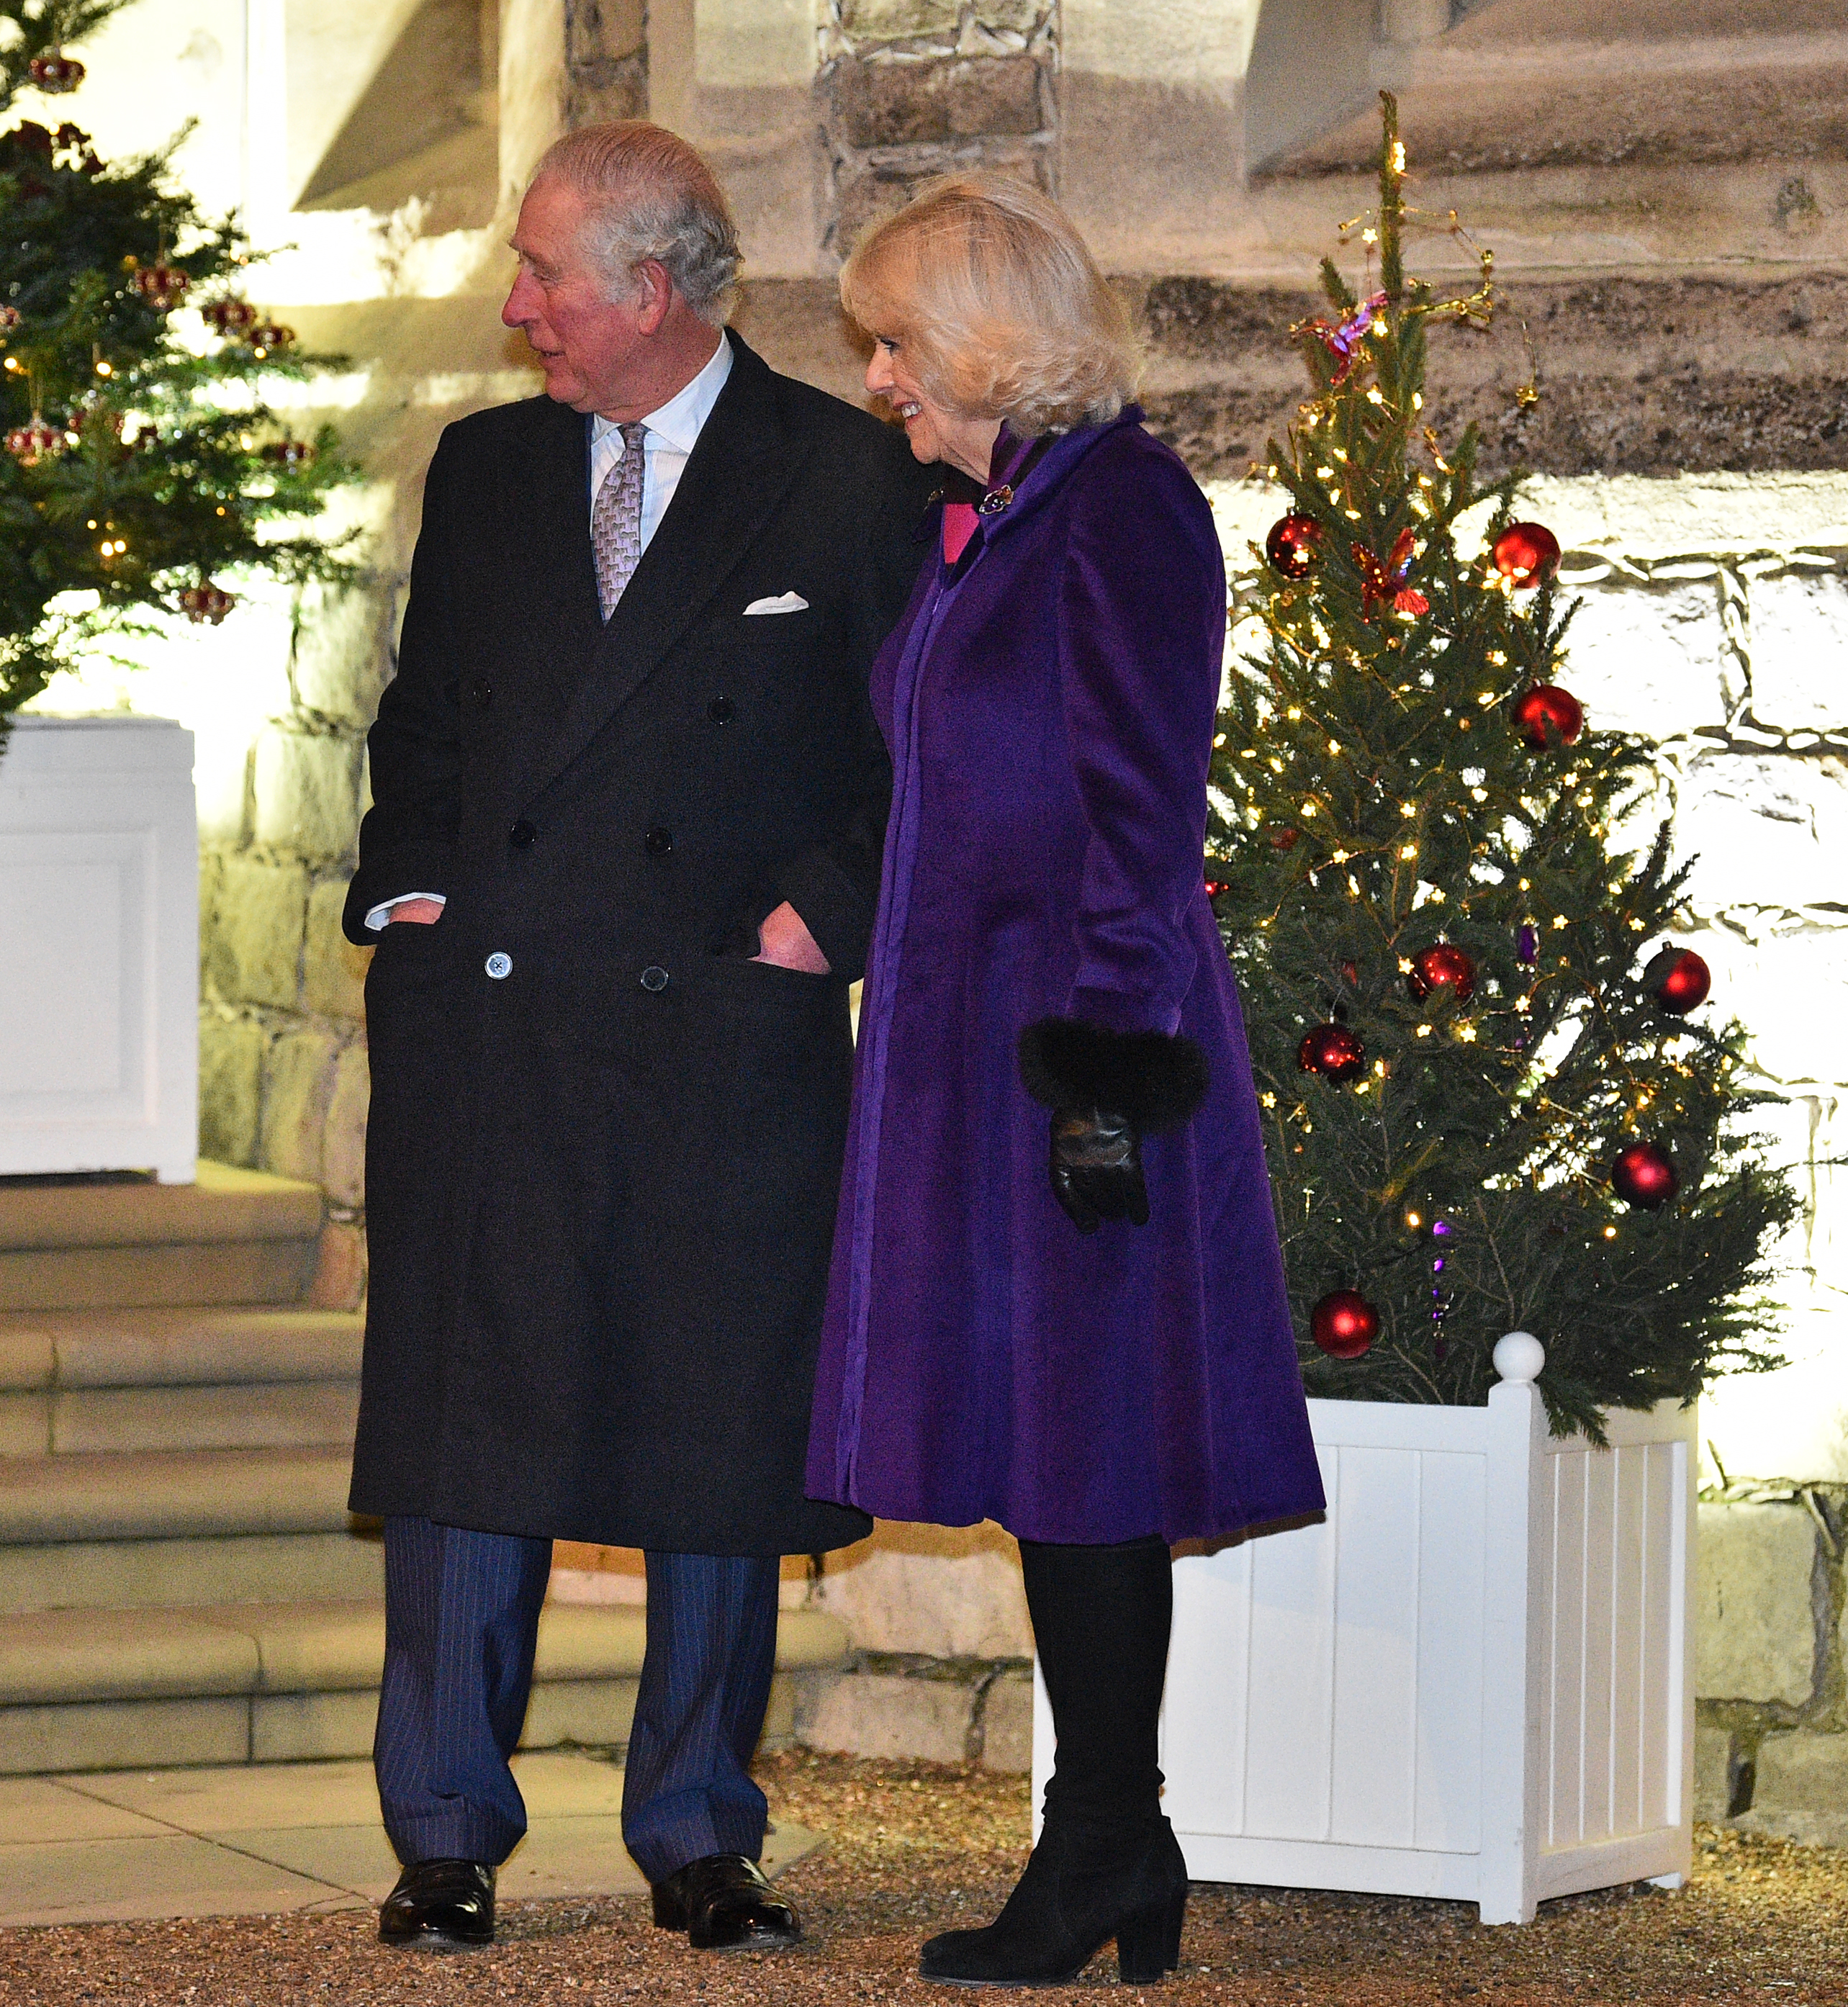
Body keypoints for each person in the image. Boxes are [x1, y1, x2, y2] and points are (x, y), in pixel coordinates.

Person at [343, 122, 937, 1955]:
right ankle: (442, 1828)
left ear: (653, 291)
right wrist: (407, 892)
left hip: (713, 1031)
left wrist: (811, 923)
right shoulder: (491, 466)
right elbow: (423, 721)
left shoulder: (842, 479)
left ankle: (696, 1826)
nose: (515, 308)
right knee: (467, 1435)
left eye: (544, 278)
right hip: (498, 1028)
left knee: (710, 1439)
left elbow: (908, 749)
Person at [805, 175, 1328, 1988]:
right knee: (1047, 1449)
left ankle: (1102, 1835)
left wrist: (1099, 1079)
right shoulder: (1002, 510)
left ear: (982, 345)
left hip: (1074, 1040)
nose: (875, 379)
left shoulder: (1122, 512)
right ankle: (1124, 1832)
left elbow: (1137, 807)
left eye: (893, 342)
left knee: (1087, 1447)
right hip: (973, 1031)